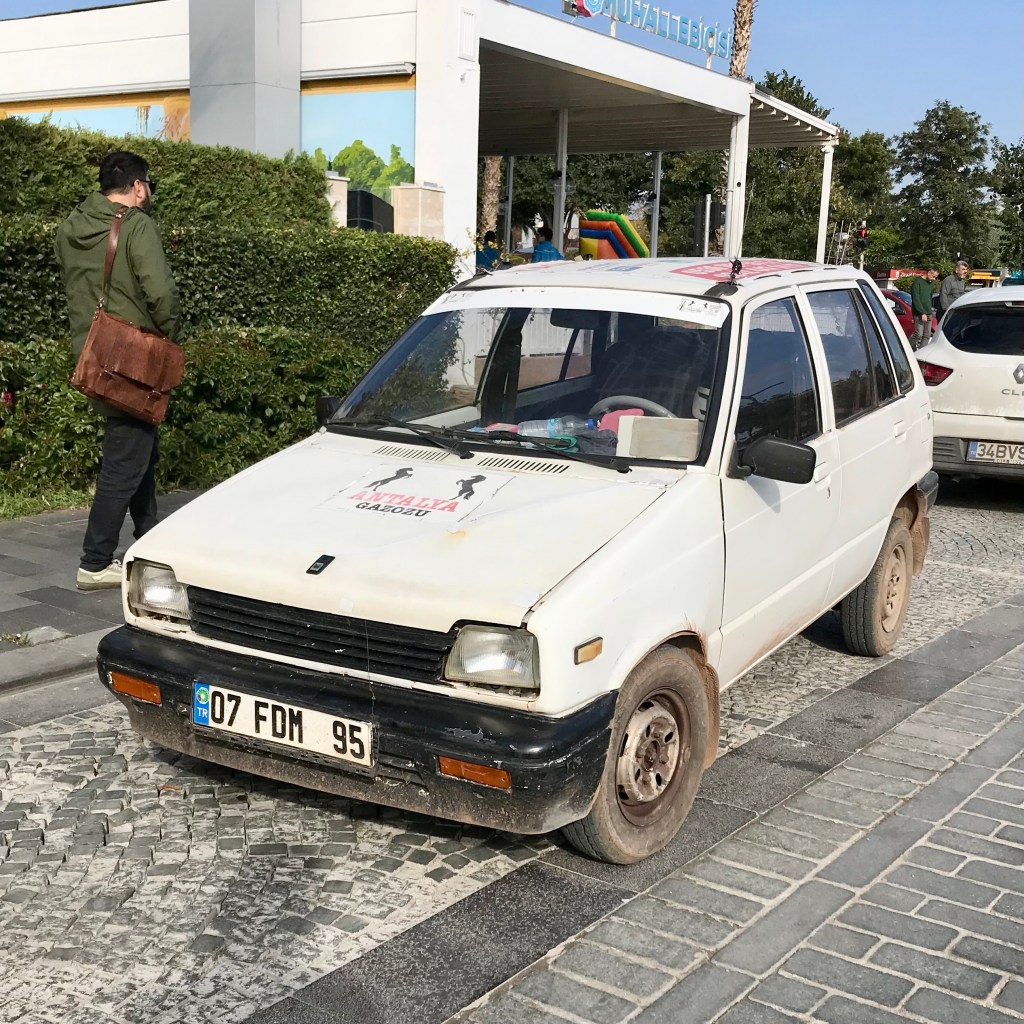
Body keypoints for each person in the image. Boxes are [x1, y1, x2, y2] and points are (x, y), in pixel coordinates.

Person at [55, 151, 182, 591]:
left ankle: (151, 539)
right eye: (149, 185)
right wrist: (171, 330)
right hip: (131, 357)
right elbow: (160, 293)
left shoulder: (72, 227)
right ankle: (95, 561)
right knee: (125, 459)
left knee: (139, 449)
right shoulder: (136, 225)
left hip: (92, 353)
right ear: (137, 186)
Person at [909, 268, 938, 350]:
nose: (934, 279)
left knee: (927, 335)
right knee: (919, 334)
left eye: (935, 277)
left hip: (928, 311)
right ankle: (906, 348)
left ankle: (921, 352)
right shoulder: (917, 282)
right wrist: (922, 312)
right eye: (933, 276)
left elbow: (929, 296)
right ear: (929, 273)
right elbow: (916, 299)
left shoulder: (931, 283)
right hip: (919, 313)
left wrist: (929, 309)